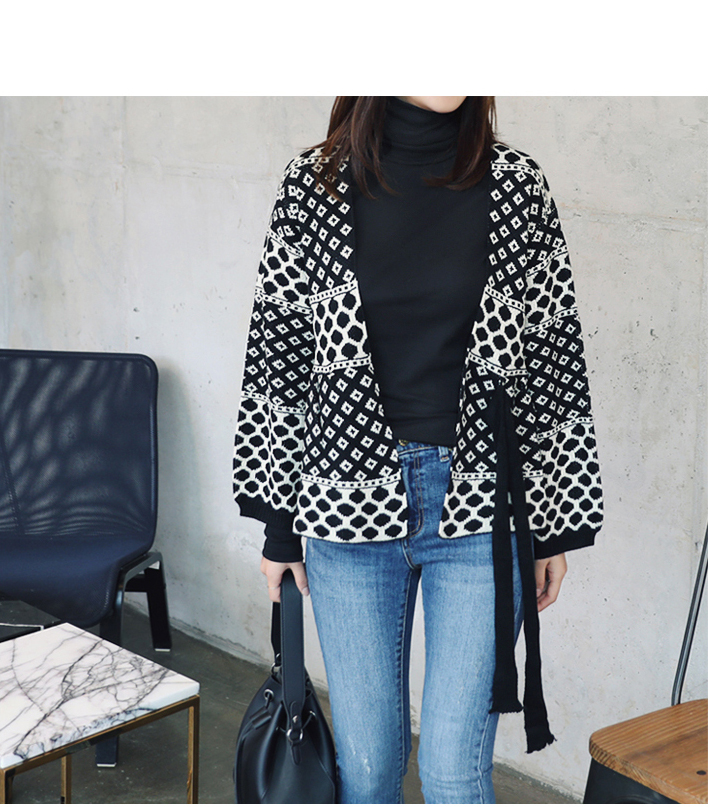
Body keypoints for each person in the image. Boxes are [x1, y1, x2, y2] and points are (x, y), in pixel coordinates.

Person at [233, 96, 603, 804]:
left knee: (455, 771)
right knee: (368, 768)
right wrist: (279, 527)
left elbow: (552, 357)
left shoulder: (517, 184)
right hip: (344, 505)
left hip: (485, 508)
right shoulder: (313, 184)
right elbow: (279, 359)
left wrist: (554, 526)